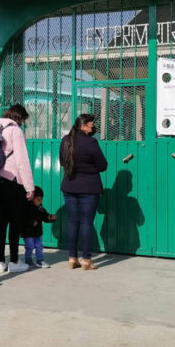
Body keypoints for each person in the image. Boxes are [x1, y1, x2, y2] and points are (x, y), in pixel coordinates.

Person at [0, 104, 35, 274]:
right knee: (15, 221)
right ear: (19, 117)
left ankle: (0, 261)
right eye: (23, 120)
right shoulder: (15, 130)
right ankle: (14, 260)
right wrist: (29, 186)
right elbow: (22, 160)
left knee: (1, 220)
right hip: (11, 179)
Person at [60, 114, 107, 270]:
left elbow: (62, 162)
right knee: (86, 223)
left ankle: (72, 258)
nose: (93, 127)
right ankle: (86, 259)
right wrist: (89, 169)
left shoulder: (65, 141)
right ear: (83, 126)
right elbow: (102, 165)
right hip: (89, 187)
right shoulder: (91, 142)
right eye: (91, 125)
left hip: (69, 186)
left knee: (73, 222)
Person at [22, 186, 56, 268]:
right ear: (32, 198)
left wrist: (50, 217)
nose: (40, 201)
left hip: (38, 232)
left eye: (41, 199)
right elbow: (23, 219)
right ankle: (28, 260)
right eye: (38, 199)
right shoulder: (26, 208)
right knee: (29, 246)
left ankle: (40, 260)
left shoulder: (40, 208)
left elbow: (45, 216)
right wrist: (30, 223)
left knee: (39, 246)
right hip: (28, 232)